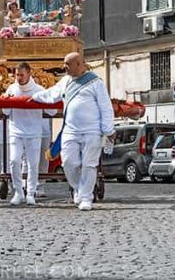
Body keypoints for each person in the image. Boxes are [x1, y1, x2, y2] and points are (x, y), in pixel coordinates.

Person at [32, 52, 114, 211]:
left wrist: (108, 130)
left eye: (67, 64)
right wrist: (35, 96)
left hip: (92, 131)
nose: (64, 67)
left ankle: (86, 197)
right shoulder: (65, 81)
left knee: (89, 165)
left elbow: (105, 107)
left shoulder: (95, 82)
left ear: (78, 64)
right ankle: (77, 188)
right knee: (68, 162)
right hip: (70, 130)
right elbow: (52, 94)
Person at [1, 62, 46, 206]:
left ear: (29, 74)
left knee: (33, 164)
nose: (19, 78)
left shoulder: (39, 90)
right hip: (16, 130)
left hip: (34, 132)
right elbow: (6, 112)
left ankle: (31, 192)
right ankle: (18, 192)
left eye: (21, 75)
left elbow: (51, 110)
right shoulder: (12, 89)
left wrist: (47, 99)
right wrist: (5, 101)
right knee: (14, 161)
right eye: (17, 75)